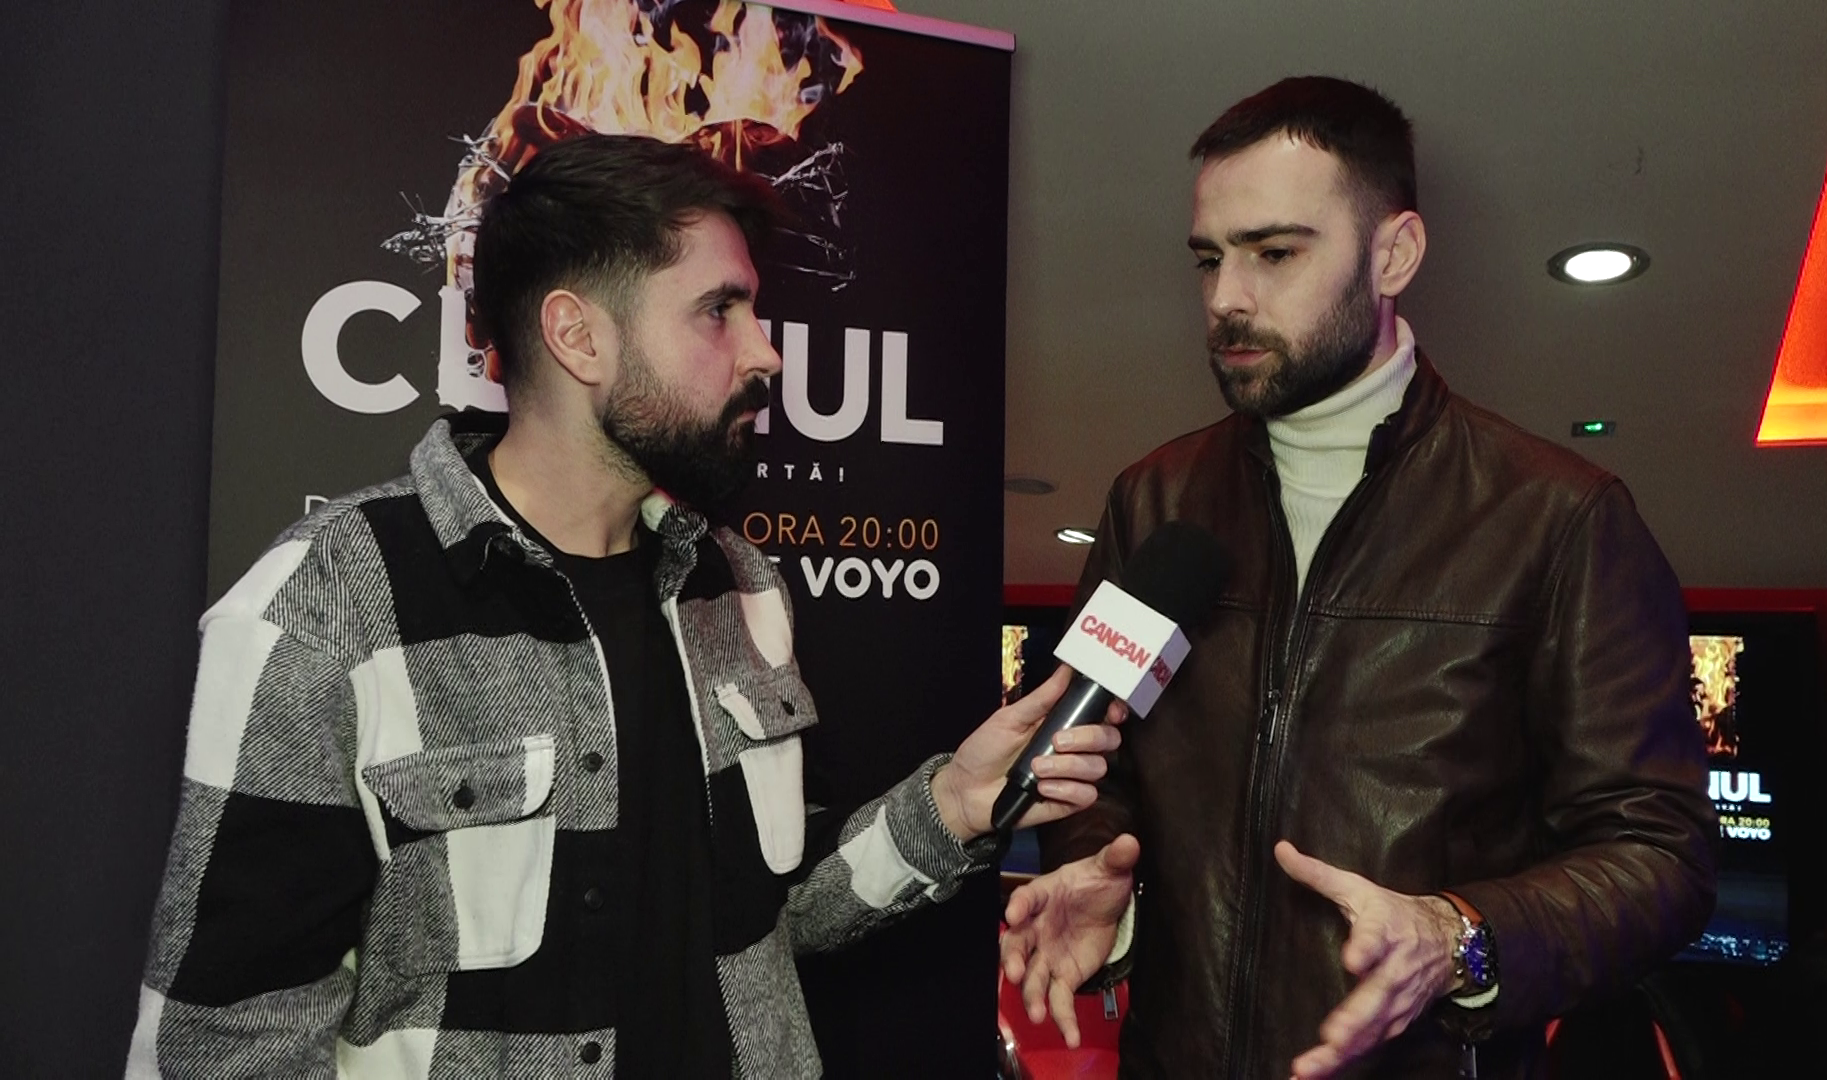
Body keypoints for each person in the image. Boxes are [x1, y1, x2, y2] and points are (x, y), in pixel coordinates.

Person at [128, 134, 1121, 1080]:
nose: (767, 354)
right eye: (719, 311)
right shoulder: (328, 606)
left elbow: (767, 914)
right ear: (578, 337)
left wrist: (953, 806)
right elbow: (227, 1044)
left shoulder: (738, 583)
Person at [1000, 76, 1716, 1079]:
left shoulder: (1557, 520)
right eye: (1209, 258)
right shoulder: (1154, 502)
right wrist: (1098, 872)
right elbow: (1093, 753)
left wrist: (1459, 936)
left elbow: (1660, 855)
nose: (1225, 297)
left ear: (1394, 255)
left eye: (1274, 252)